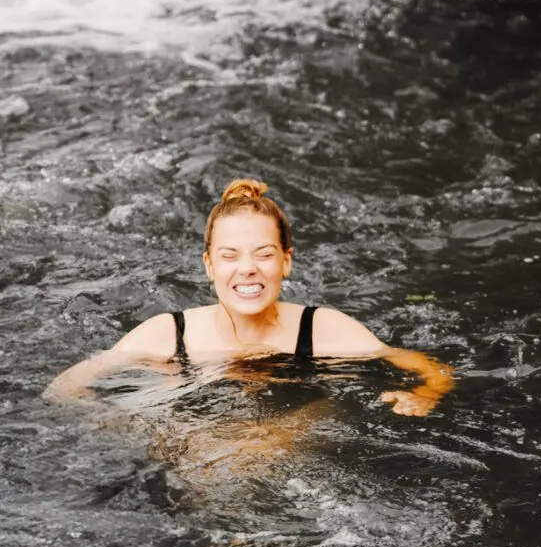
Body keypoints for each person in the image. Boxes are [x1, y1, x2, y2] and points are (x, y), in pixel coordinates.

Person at [45, 177, 454, 416]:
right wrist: (116, 425)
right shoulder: (171, 335)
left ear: (286, 262)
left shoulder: (322, 329)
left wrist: (424, 395)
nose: (248, 269)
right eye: (229, 256)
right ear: (209, 265)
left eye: (264, 254)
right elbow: (65, 388)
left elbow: (430, 368)